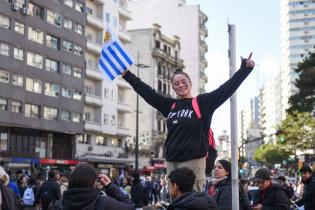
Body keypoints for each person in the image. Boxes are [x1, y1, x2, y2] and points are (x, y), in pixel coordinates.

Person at [122, 54, 255, 191]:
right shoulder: (170, 105)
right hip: (172, 161)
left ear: (190, 83)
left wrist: (244, 69)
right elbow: (148, 93)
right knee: (175, 200)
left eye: (183, 81)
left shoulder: (202, 103)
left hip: (194, 161)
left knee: (192, 200)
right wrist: (127, 75)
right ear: (173, 88)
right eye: (176, 83)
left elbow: (226, 89)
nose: (181, 85)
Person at [55, 164, 134, 210]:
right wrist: (110, 186)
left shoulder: (59, 204)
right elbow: (130, 207)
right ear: (93, 182)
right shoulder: (103, 202)